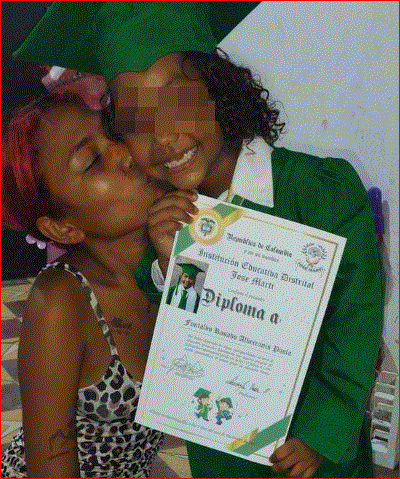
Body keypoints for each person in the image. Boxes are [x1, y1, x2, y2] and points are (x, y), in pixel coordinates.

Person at [13, 2, 385, 477]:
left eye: (177, 102)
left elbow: (355, 319)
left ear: (218, 90)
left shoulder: (318, 191)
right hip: (222, 449)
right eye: (135, 123)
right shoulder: (170, 221)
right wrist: (171, 265)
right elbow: (184, 334)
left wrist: (318, 433)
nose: (163, 137)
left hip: (313, 450)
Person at [1, 96, 169, 478]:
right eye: (92, 161)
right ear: (62, 227)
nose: (127, 153)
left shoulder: (175, 262)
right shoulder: (61, 300)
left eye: (115, 132)